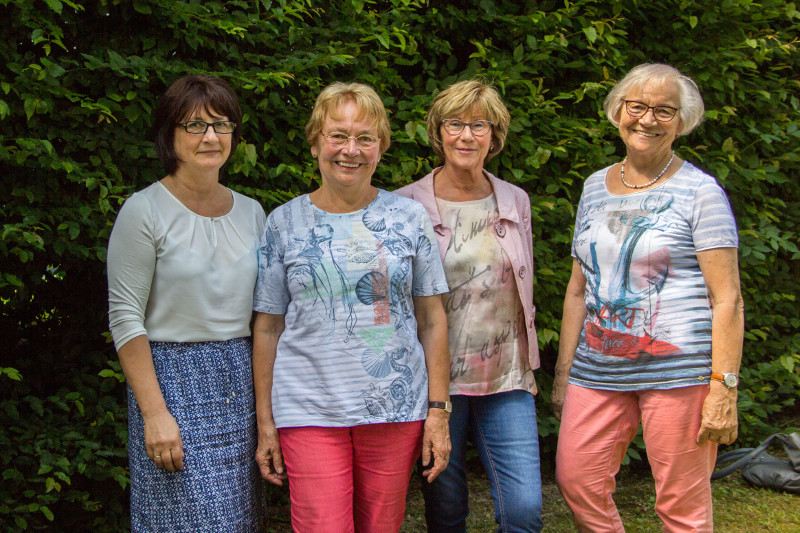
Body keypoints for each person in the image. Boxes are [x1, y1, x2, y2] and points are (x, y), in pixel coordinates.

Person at [552, 63, 744, 532]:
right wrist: (563, 372)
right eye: (636, 106)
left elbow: (729, 300)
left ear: (682, 122)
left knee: (681, 506)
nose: (647, 119)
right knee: (577, 480)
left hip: (678, 371)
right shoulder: (594, 186)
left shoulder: (701, 192)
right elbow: (578, 288)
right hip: (597, 365)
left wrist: (724, 386)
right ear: (618, 111)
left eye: (664, 110)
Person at [251, 81, 451, 533]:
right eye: (337, 135)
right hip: (308, 408)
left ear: (381, 147)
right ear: (316, 141)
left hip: (394, 407)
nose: (350, 149)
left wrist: (438, 412)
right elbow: (267, 328)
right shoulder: (283, 222)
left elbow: (433, 320)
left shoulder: (409, 217)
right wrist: (266, 423)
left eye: (365, 137)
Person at [107, 75, 267, 531]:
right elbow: (125, 319)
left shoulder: (252, 212)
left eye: (222, 124)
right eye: (195, 125)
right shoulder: (144, 211)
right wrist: (155, 414)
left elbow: (264, 316)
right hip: (171, 384)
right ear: (169, 136)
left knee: (238, 520)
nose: (212, 137)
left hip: (239, 379)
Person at [396, 79, 543, 532]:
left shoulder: (514, 200)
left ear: (494, 136)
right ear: (437, 132)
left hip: (507, 375)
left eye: (478, 125)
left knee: (524, 510)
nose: (465, 136)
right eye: (454, 124)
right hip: (438, 385)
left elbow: (524, 281)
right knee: (445, 510)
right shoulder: (405, 205)